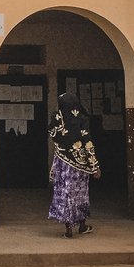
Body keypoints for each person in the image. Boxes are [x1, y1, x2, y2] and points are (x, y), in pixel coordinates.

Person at [47, 92, 101, 238]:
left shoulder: (57, 118)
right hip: (80, 165)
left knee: (65, 194)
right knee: (81, 195)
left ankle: (68, 229)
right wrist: (94, 165)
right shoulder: (82, 119)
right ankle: (82, 226)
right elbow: (87, 141)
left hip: (63, 163)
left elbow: (52, 133)